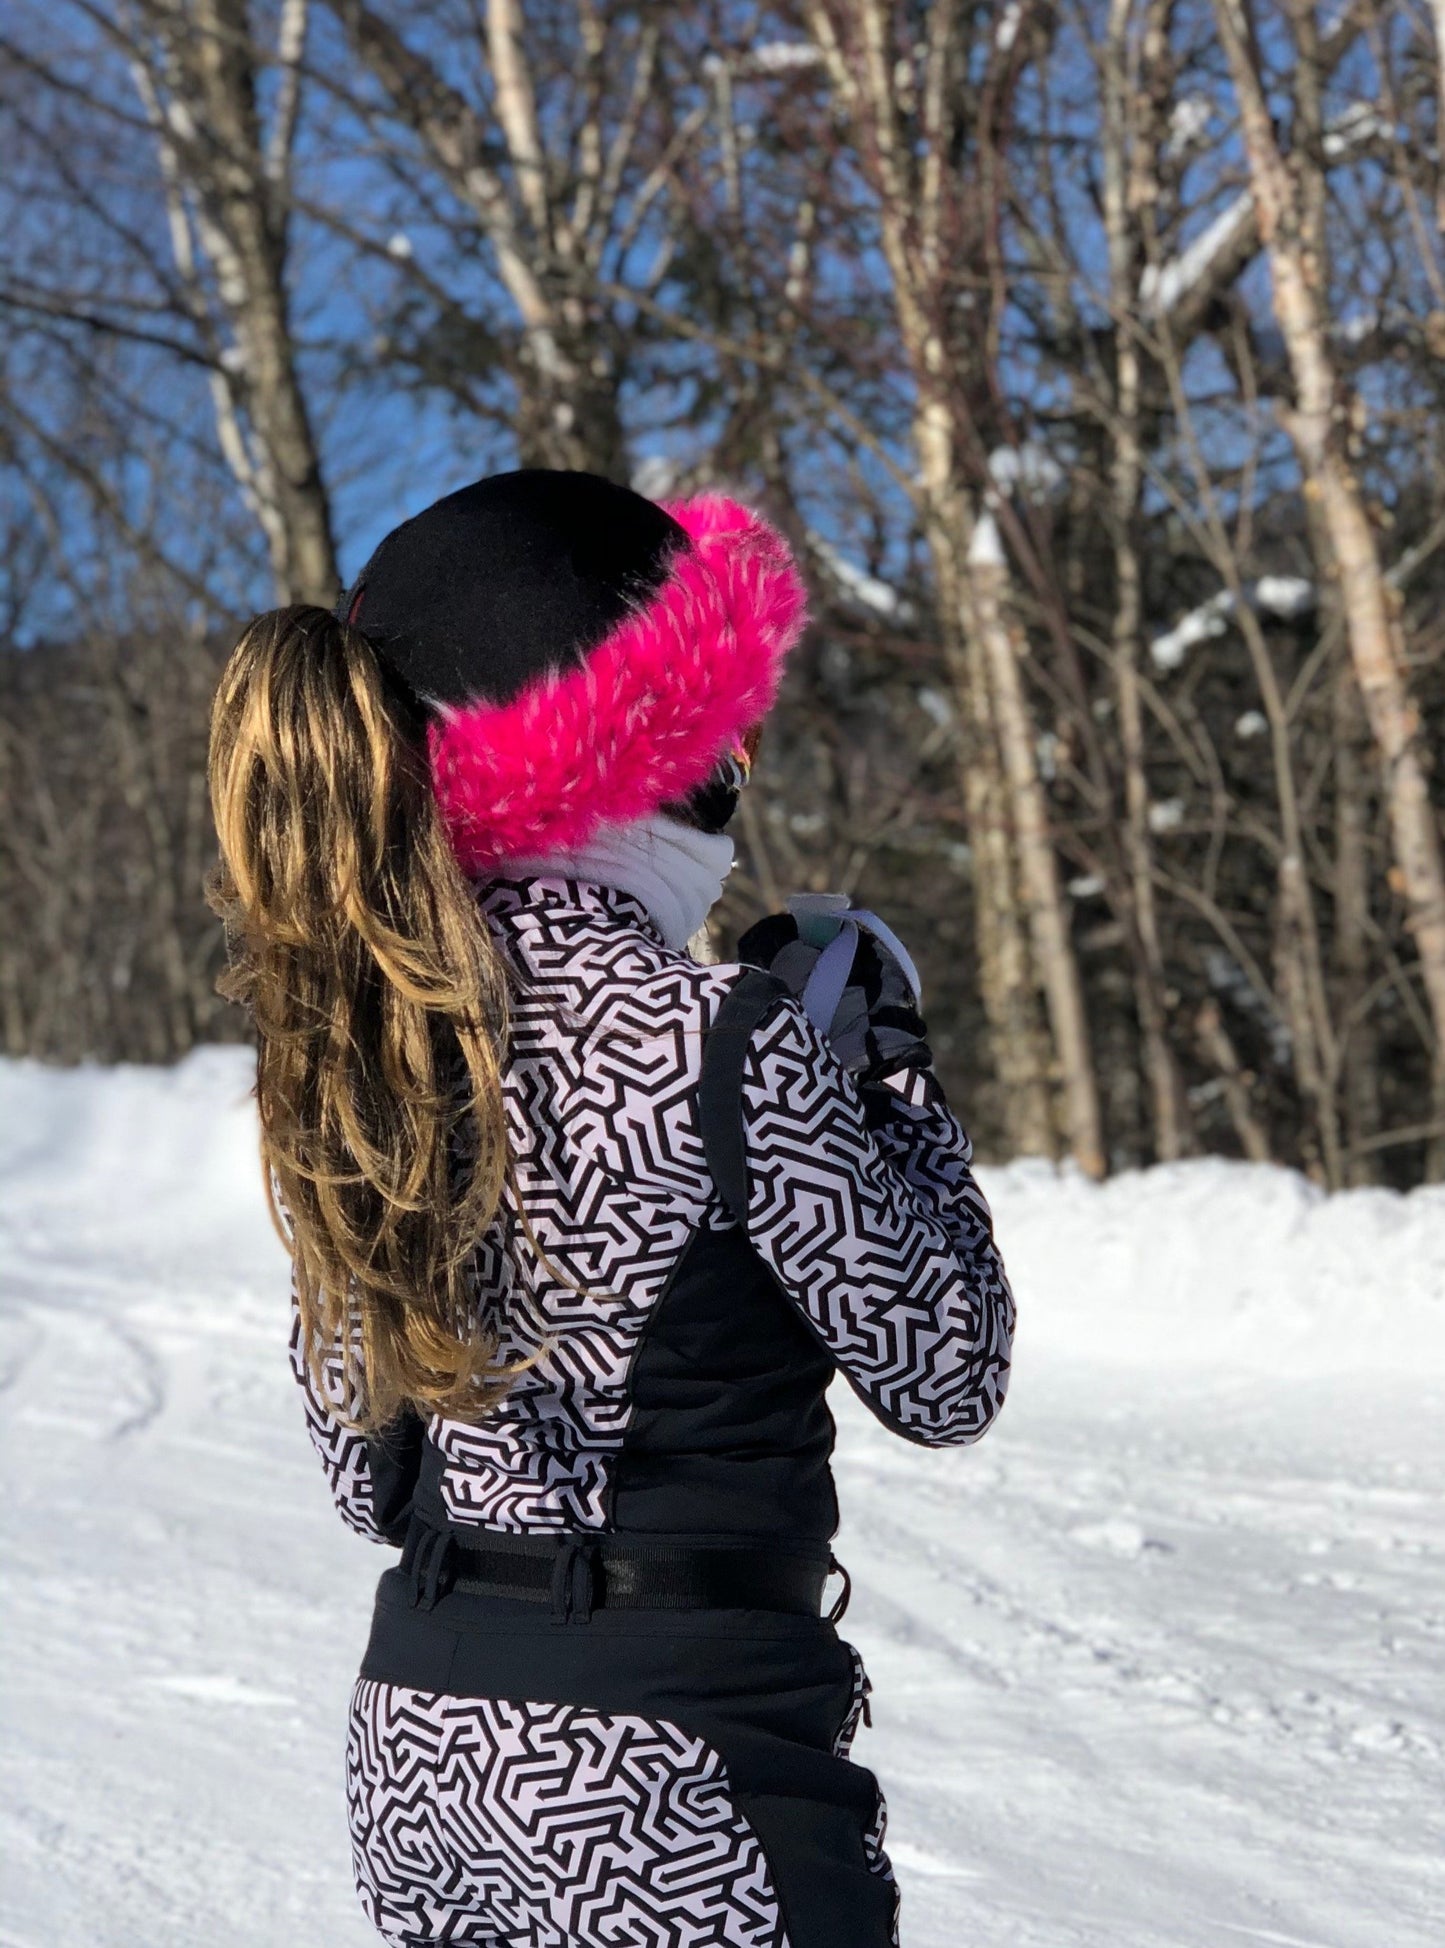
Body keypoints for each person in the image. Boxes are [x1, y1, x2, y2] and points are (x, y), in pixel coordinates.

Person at [207, 468, 1014, 1948]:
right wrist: (884, 1066)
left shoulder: (362, 1041)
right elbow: (946, 1368)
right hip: (677, 1768)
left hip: (422, 1753)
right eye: (729, 744)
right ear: (650, 758)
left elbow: (362, 1483)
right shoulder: (723, 1032)